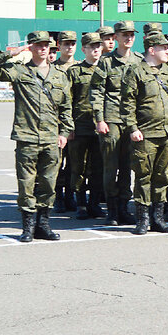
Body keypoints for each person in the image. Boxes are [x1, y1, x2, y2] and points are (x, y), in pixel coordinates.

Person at [0, 32, 74, 242]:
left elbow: (66, 107)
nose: (43, 49)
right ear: (30, 47)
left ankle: (44, 224)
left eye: (46, 45)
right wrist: (13, 52)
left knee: (49, 184)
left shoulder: (59, 76)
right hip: (27, 137)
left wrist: (64, 133)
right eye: (38, 45)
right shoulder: (19, 71)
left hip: (51, 138)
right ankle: (28, 227)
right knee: (26, 183)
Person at [121, 31, 168, 235]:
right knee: (143, 176)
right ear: (152, 49)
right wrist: (132, 128)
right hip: (146, 133)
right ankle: (143, 219)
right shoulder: (136, 71)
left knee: (163, 176)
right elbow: (127, 103)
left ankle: (158, 218)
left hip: (167, 133)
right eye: (164, 48)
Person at [90, 20, 141, 226]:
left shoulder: (139, 61)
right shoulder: (106, 62)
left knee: (128, 166)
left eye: (131, 34)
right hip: (111, 120)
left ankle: (123, 207)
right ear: (116, 37)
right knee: (111, 167)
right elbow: (96, 92)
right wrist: (99, 119)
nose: (128, 38)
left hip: (131, 121)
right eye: (124, 34)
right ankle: (111, 210)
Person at [66, 32, 105, 220]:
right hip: (80, 126)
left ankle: (94, 203)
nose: (96, 49)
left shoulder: (107, 70)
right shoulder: (74, 71)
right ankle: (80, 203)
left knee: (98, 167)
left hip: (100, 127)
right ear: (84, 49)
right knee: (78, 168)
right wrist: (68, 127)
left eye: (98, 46)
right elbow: (66, 102)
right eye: (92, 46)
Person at [52, 30, 79, 215]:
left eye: (72, 43)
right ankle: (58, 196)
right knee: (57, 161)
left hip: (78, 122)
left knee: (75, 163)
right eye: (66, 43)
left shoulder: (80, 66)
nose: (69, 47)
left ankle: (71, 195)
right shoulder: (52, 68)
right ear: (59, 45)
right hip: (56, 123)